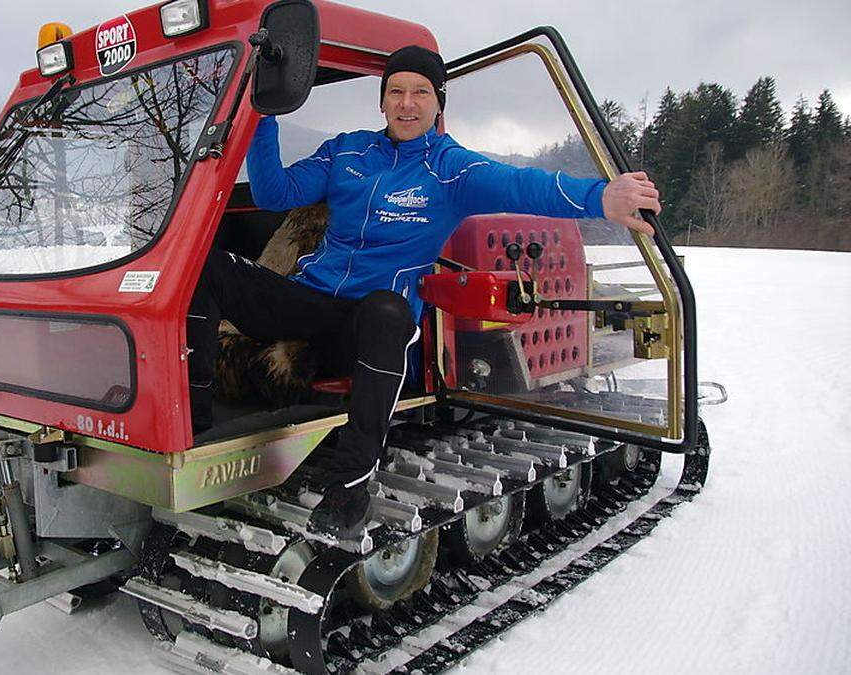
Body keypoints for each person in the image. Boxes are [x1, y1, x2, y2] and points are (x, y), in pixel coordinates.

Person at [187, 45, 661, 539]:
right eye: (396, 91)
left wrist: (600, 197)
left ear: (438, 104)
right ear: (382, 101)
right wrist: (265, 117)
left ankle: (351, 483)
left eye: (420, 92)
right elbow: (273, 194)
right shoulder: (348, 151)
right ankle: (195, 426)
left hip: (367, 326)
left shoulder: (450, 169)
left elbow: (523, 186)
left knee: (388, 312)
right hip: (309, 301)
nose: (407, 103)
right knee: (203, 266)